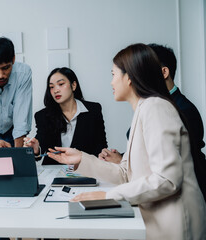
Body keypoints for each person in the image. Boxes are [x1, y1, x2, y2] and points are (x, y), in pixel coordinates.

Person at [48, 44, 206, 239]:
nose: (111, 82)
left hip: (175, 224)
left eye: (114, 74)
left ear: (129, 77)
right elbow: (125, 174)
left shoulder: (156, 108)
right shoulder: (143, 109)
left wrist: (107, 196)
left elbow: (167, 179)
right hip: (156, 219)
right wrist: (81, 159)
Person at [98, 43, 206, 201]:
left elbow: (169, 170)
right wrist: (121, 157)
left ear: (163, 72)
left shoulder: (174, 109)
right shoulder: (150, 104)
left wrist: (122, 162)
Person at [23, 67, 107, 165]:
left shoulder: (93, 110)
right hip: (55, 171)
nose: (56, 90)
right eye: (51, 87)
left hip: (84, 169)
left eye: (61, 84)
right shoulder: (43, 115)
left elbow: (101, 145)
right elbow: (42, 142)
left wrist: (103, 156)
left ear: (73, 85)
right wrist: (36, 149)